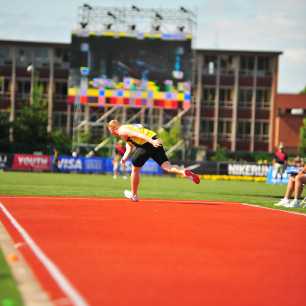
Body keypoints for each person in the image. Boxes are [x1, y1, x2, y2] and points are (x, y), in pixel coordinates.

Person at [107, 119, 200, 202]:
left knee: (135, 169)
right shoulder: (127, 129)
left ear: (113, 128)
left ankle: (134, 195)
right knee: (167, 166)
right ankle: (184, 172)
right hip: (155, 139)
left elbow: (139, 134)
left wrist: (151, 141)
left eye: (110, 130)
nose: (110, 132)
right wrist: (124, 158)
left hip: (148, 143)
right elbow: (129, 146)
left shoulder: (122, 130)